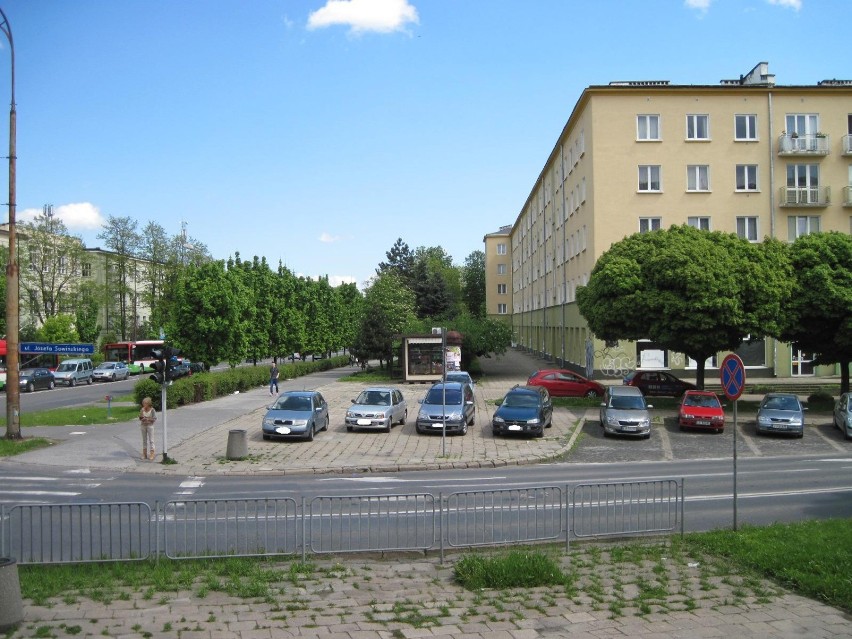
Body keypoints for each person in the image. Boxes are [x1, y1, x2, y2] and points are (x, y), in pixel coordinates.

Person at [139, 397, 157, 461]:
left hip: (150, 426)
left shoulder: (152, 410)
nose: (144, 404)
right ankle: (144, 454)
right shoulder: (142, 409)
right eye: (143, 403)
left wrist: (148, 418)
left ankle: (152, 453)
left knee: (151, 440)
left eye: (145, 403)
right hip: (143, 426)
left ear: (148, 403)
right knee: (144, 440)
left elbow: (154, 418)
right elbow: (140, 417)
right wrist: (142, 418)